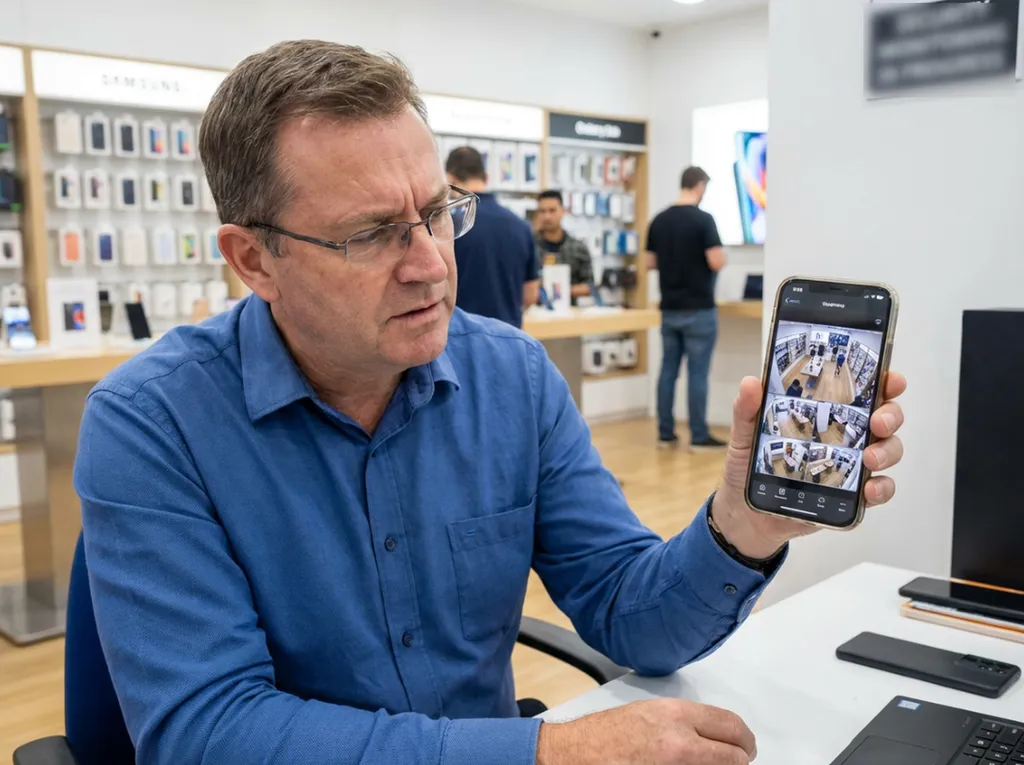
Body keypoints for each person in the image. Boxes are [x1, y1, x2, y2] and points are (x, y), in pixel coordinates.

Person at [73, 40, 908, 765]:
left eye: (436, 213)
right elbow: (210, 735)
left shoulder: (511, 377)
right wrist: (546, 748)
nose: (431, 264)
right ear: (253, 260)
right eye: (370, 233)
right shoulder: (152, 425)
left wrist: (746, 520)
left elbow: (629, 616)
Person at [647, 167, 728, 451]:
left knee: (667, 369)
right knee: (697, 372)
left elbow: (648, 263)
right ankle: (698, 435)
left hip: (669, 308)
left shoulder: (659, 220)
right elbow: (716, 261)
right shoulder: (703, 220)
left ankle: (665, 434)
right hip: (699, 308)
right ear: (699, 185)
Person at [446, 146, 539, 328]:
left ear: (451, 179)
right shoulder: (521, 226)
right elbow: (530, 295)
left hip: (460, 340)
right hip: (510, 338)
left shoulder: (449, 225)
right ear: (486, 177)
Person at [534, 190, 594, 301]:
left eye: (552, 211)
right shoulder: (529, 247)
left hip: (571, 313)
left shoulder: (579, 248)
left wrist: (561, 291)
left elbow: (589, 286)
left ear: (563, 211)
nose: (547, 216)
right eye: (542, 211)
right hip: (535, 313)